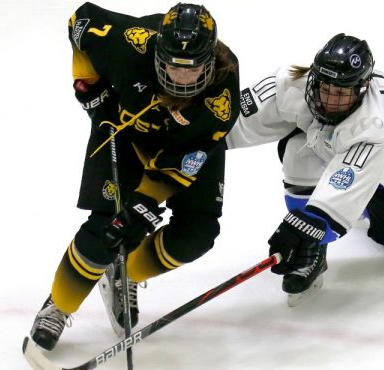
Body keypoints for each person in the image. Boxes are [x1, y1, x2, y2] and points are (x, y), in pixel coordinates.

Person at [29, 2, 240, 350]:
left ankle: (123, 272)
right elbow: (79, 22)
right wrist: (90, 88)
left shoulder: (221, 97)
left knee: (197, 234)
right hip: (124, 131)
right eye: (173, 68)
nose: (181, 78)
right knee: (107, 226)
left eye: (192, 69)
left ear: (210, 61)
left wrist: (142, 206)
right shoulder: (133, 43)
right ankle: (59, 303)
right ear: (159, 54)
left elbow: (181, 163)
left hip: (185, 148)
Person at [226, 33, 384, 306]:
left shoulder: (382, 116)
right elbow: (226, 122)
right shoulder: (291, 84)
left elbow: (350, 179)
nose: (329, 101)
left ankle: (359, 213)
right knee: (299, 151)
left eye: (341, 93)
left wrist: (304, 229)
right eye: (325, 88)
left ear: (362, 87)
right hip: (328, 154)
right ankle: (313, 256)